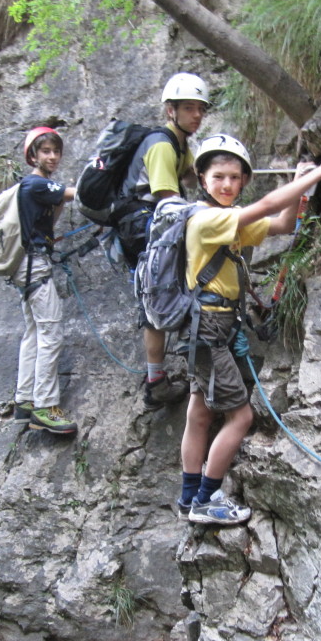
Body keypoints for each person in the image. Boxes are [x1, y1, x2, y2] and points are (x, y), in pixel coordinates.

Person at [176, 135, 321, 525]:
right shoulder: (206, 219)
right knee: (241, 417)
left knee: (199, 413)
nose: (227, 185)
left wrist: (305, 184)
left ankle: (188, 498)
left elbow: (282, 222)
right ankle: (206, 499)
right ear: (202, 179)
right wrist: (320, 172)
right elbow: (267, 204)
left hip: (206, 330)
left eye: (235, 177)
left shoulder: (227, 222)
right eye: (219, 177)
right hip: (209, 329)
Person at [118, 72, 210, 411]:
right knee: (156, 297)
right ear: (170, 110)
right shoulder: (160, 144)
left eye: (201, 109)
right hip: (142, 226)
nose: (196, 116)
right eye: (189, 109)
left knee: (170, 288)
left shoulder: (179, 143)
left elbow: (189, 176)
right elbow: (167, 198)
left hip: (150, 223)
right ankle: (156, 380)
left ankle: (176, 361)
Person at [12, 126, 78, 436]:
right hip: (34, 267)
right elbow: (78, 194)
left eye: (55, 151)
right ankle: (45, 407)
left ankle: (24, 400)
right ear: (33, 156)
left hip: (25, 266)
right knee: (51, 332)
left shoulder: (33, 187)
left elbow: (49, 220)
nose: (52, 156)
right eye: (45, 151)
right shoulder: (36, 184)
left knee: (34, 333)